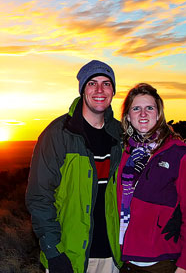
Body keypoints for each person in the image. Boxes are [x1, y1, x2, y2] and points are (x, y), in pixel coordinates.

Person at [26, 60, 123, 273]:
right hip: (70, 256)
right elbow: (39, 197)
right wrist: (53, 251)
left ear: (113, 91)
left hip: (114, 257)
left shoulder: (120, 135)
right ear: (82, 90)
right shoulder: (57, 135)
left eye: (106, 83)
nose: (100, 90)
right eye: (92, 83)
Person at [117, 83, 186, 273]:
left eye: (149, 108)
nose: (143, 114)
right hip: (123, 261)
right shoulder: (122, 154)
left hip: (161, 264)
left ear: (158, 114)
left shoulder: (179, 155)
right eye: (136, 108)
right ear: (127, 116)